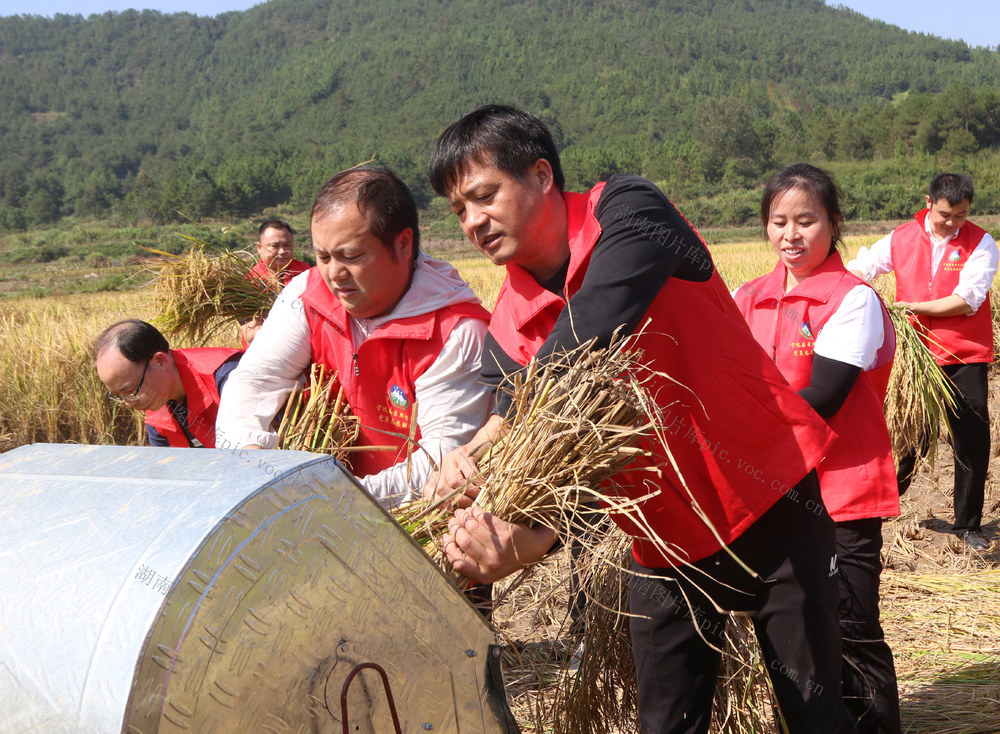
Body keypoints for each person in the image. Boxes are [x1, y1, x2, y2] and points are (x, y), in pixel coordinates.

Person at [425, 105, 857, 734]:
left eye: (483, 196)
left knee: (814, 710)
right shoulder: (508, 325)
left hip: (772, 495)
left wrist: (517, 493)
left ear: (542, 175)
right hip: (661, 539)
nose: (471, 221)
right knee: (666, 723)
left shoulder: (629, 212)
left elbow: (588, 338)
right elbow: (569, 460)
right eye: (457, 209)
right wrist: (483, 476)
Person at [733, 164, 901, 734]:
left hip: (841, 493)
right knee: (796, 629)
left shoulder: (853, 301)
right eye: (778, 222)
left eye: (806, 220)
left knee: (849, 628)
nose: (791, 234)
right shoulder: (746, 298)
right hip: (770, 494)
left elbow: (820, 400)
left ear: (833, 222)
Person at [216, 165, 493, 510]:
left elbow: (441, 461)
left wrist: (331, 499)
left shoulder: (455, 331)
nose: (334, 274)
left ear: (403, 244)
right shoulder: (306, 294)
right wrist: (251, 459)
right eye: (323, 257)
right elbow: (255, 380)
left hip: (409, 518)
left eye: (351, 256)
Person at [848, 172, 998, 551]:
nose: (952, 223)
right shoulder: (900, 238)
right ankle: (883, 507)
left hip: (963, 355)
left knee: (970, 440)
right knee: (907, 433)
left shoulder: (981, 242)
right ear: (928, 202)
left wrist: (910, 306)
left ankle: (967, 525)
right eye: (946, 214)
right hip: (915, 356)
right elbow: (862, 267)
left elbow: (968, 299)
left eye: (961, 216)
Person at [95, 319, 242, 448]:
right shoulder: (156, 408)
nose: (129, 403)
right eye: (119, 396)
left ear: (160, 361)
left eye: (131, 390)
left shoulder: (231, 378)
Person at [241, 220, 311, 345]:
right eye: (275, 246)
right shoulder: (249, 284)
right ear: (259, 248)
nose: (282, 251)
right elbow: (249, 336)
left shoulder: (308, 274)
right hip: (265, 351)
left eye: (287, 245)